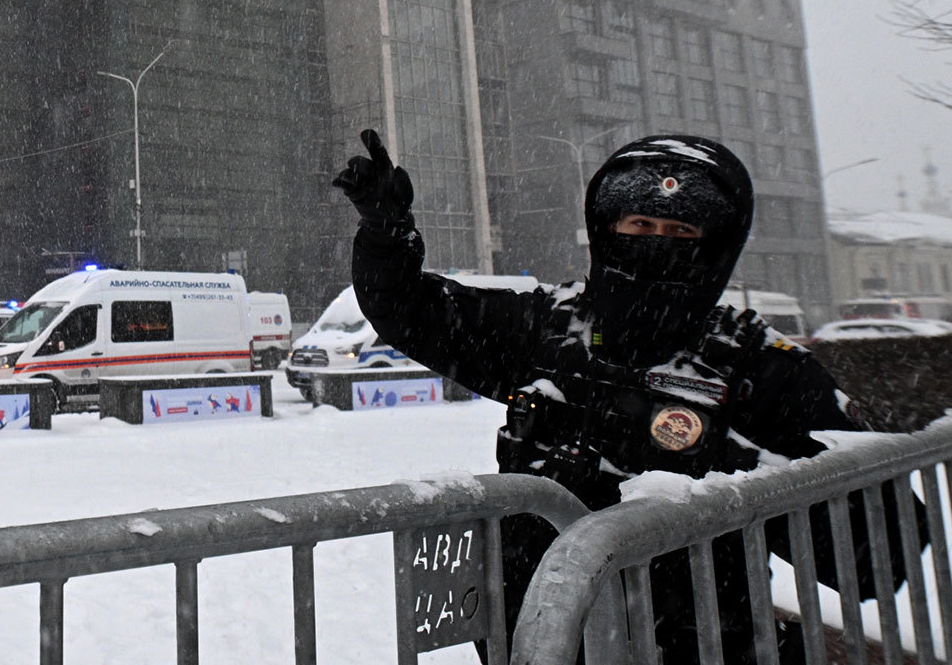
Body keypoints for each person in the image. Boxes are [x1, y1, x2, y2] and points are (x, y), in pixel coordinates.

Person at [333, 129, 914, 664]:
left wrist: (747, 481)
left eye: (680, 233)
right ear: (609, 230)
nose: (657, 244)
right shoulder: (547, 329)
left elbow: (879, 559)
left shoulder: (764, 367)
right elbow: (409, 311)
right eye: (641, 227)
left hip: (699, 646)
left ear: (714, 246)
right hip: (541, 641)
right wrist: (387, 232)